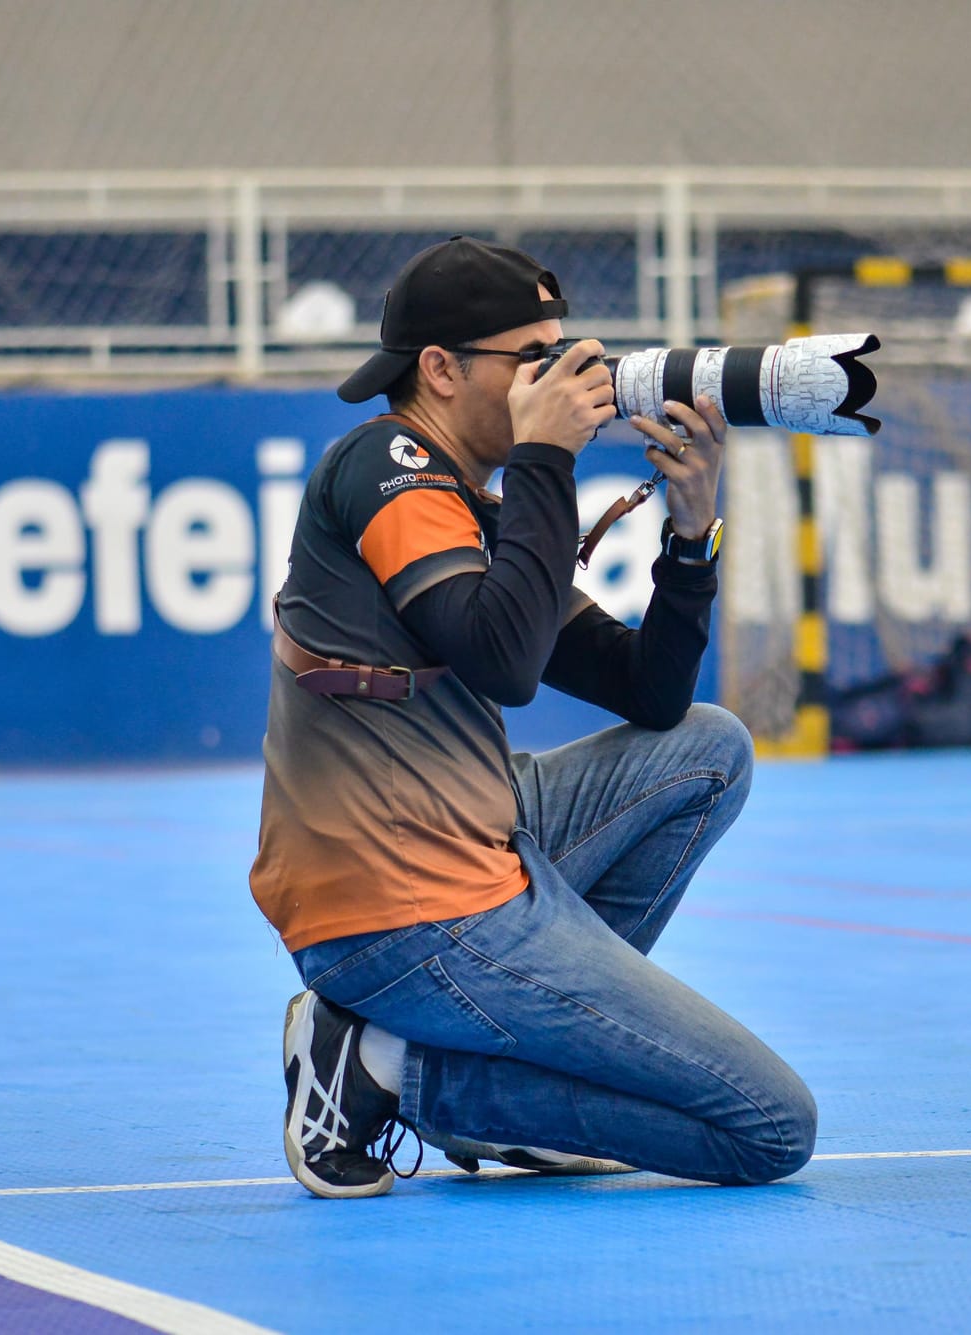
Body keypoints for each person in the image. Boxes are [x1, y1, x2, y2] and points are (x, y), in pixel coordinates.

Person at [252, 236, 816, 1198]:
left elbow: (653, 696)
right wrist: (549, 459)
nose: (566, 378)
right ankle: (389, 1069)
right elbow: (504, 662)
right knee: (772, 1127)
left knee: (709, 746)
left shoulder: (476, 502)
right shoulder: (386, 463)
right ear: (439, 369)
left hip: (478, 837)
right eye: (534, 359)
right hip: (400, 910)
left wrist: (690, 532)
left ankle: (504, 1069)